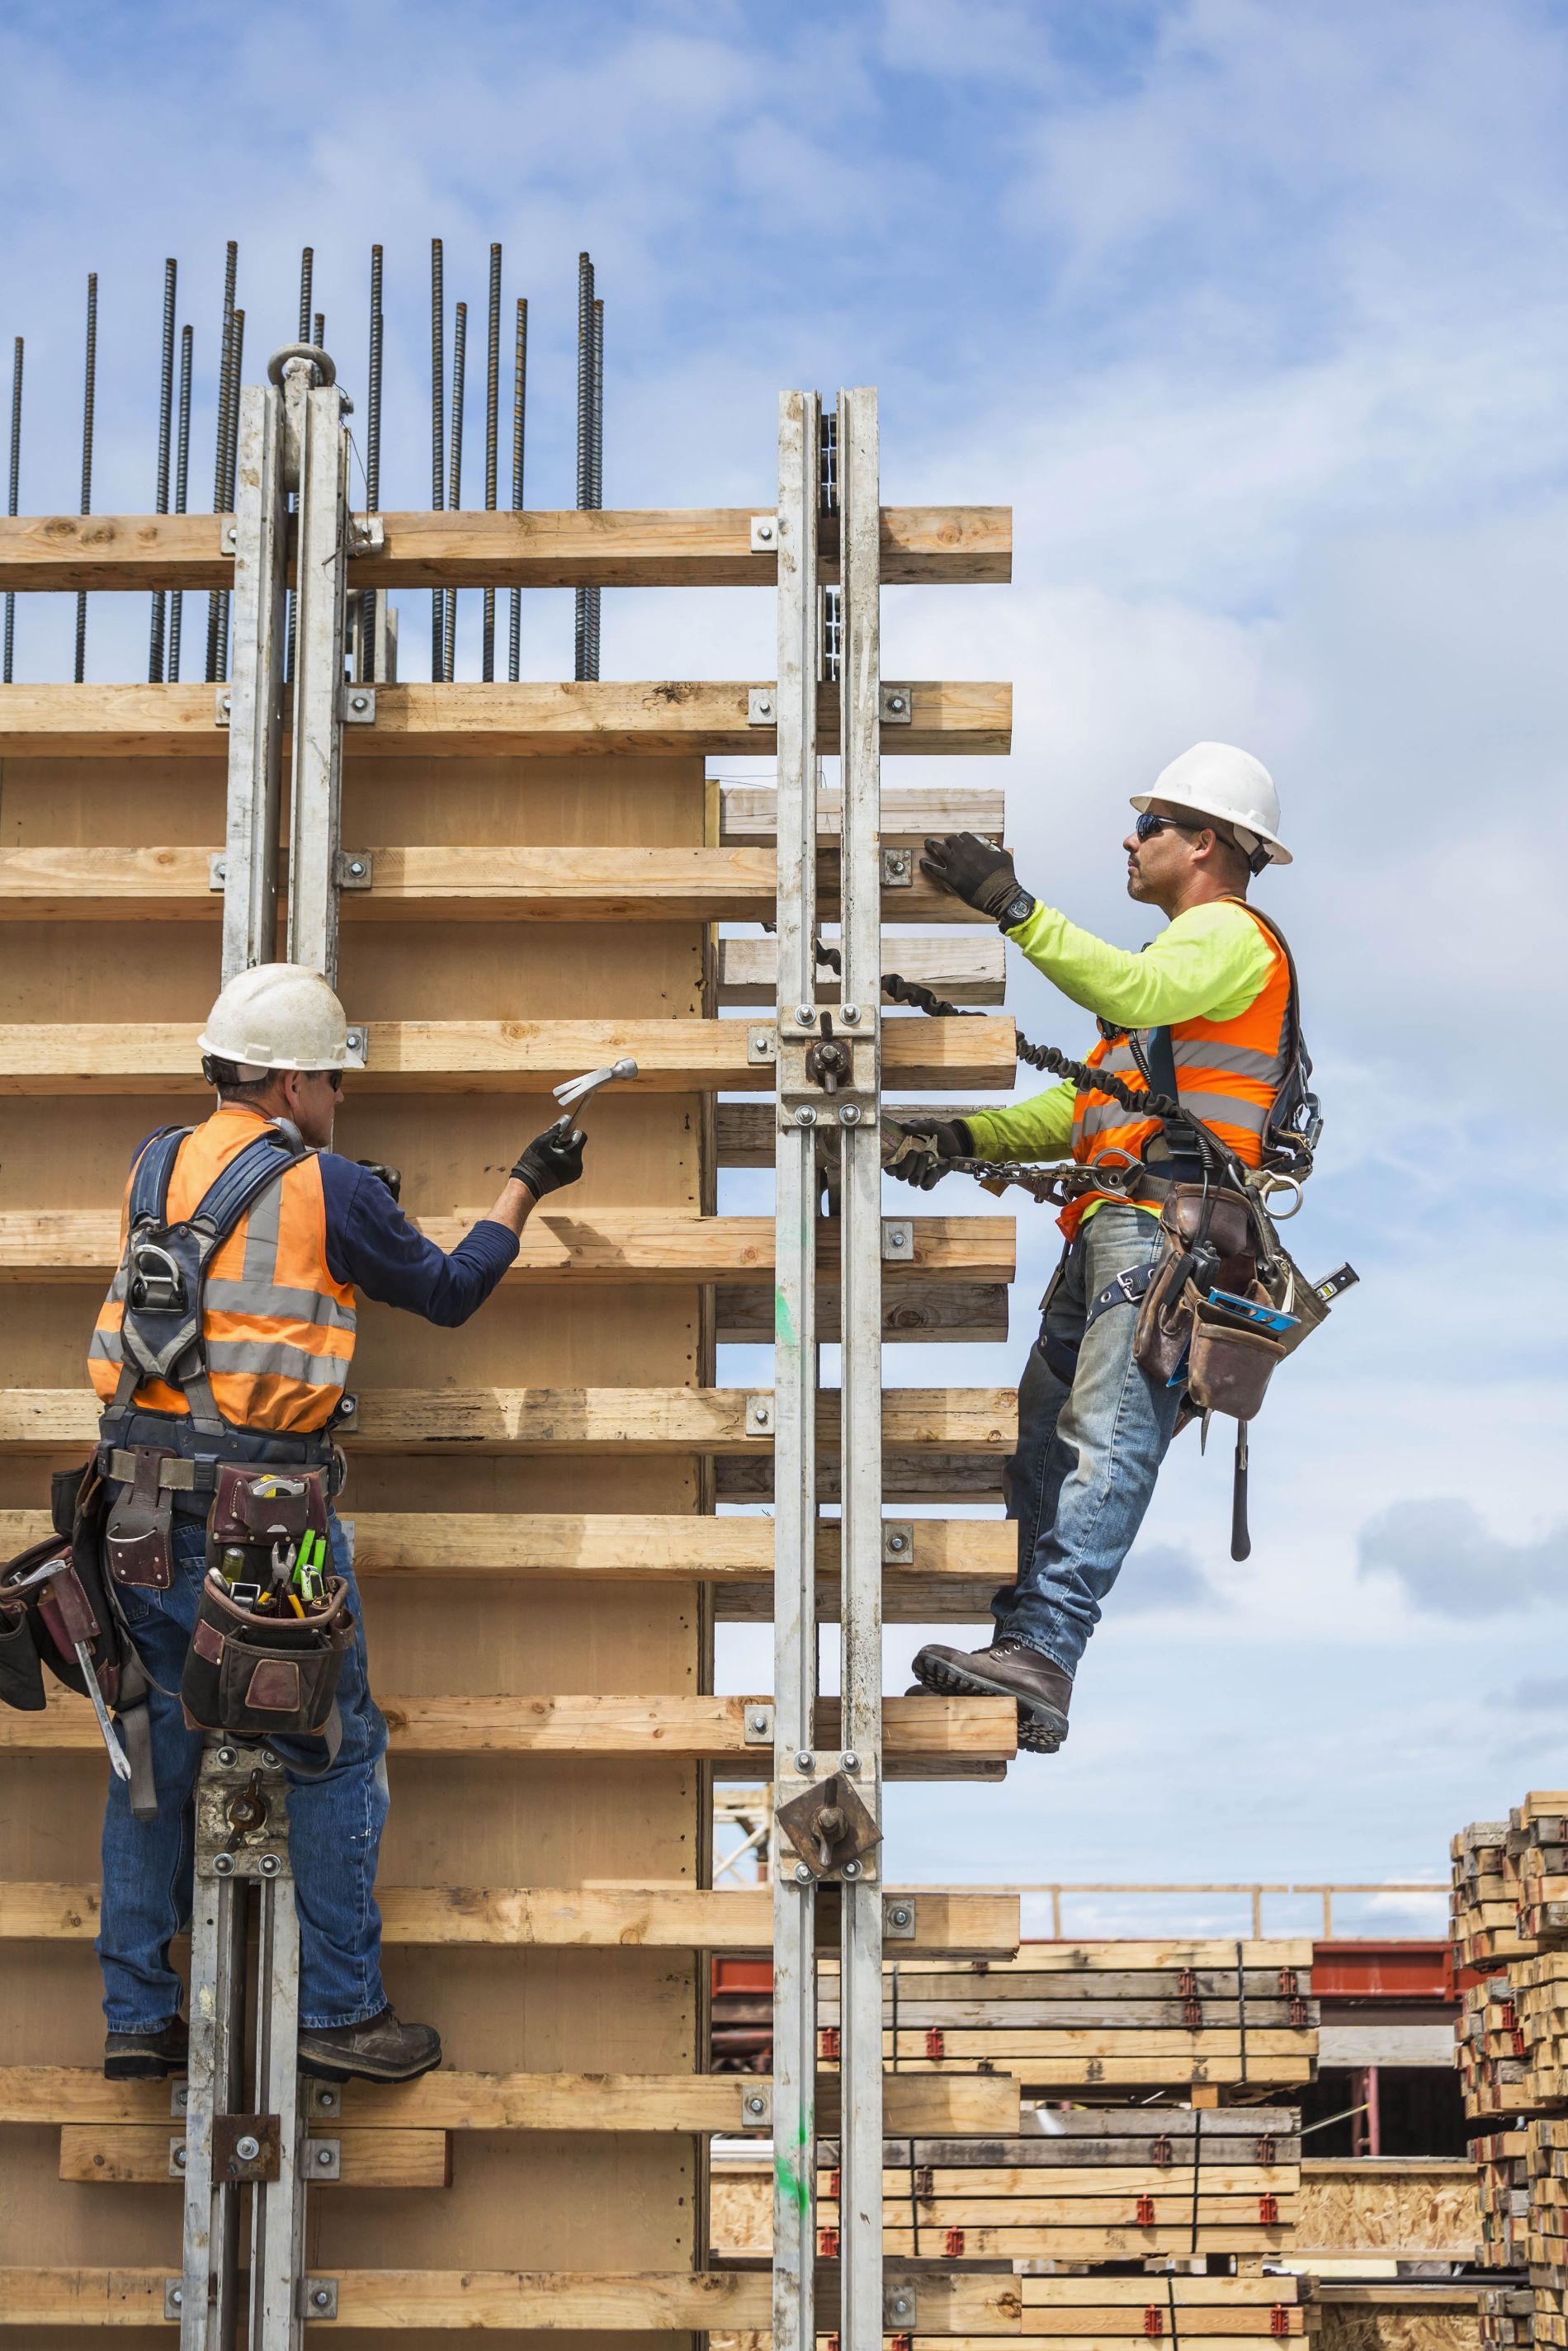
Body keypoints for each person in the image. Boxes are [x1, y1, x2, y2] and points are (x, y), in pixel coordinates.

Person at [88, 963, 587, 2083]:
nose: (342, 1099)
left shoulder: (156, 1162)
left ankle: (135, 2015)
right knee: (332, 1749)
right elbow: (451, 1289)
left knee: (151, 1759)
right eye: (337, 1080)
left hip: (132, 1504)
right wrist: (524, 1184)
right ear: (297, 1077)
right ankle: (341, 2016)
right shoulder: (332, 1186)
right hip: (266, 1513)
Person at [890, 743, 1301, 1756]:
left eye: (1151, 823)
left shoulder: (1229, 938)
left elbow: (1125, 987)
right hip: (1115, 1227)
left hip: (1167, 1229)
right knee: (1041, 1440)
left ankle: (1044, 1649)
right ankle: (1019, 1649)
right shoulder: (1173, 972)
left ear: (1206, 843)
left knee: (1104, 1432)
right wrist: (965, 1138)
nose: (1130, 837)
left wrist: (1013, 905)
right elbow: (1085, 1103)